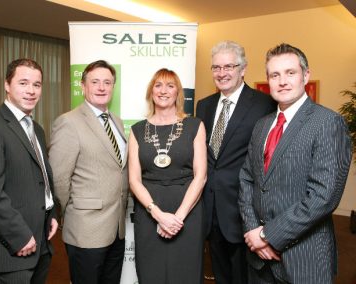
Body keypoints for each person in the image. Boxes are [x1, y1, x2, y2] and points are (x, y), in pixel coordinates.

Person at [238, 43, 352, 283]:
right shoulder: (262, 126)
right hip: (258, 259)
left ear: (305, 76)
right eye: (274, 75)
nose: (282, 81)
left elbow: (323, 196)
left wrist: (268, 235)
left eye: (290, 73)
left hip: (305, 258)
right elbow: (247, 179)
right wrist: (253, 233)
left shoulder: (327, 123)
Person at [0, 58, 58, 283]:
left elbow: (39, 178)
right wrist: (20, 236)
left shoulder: (36, 128)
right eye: (23, 83)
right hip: (12, 247)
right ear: (7, 85)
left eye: (37, 85)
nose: (31, 91)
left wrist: (52, 212)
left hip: (40, 241)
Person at [196, 41, 276, 284]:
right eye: (216, 67)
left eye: (229, 66)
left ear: (243, 69)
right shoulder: (204, 105)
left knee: (245, 276)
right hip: (211, 208)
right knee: (220, 273)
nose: (222, 73)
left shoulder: (264, 104)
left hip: (246, 210)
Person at [48, 60, 128, 284]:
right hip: (86, 228)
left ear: (113, 87)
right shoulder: (69, 122)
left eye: (107, 82)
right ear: (83, 86)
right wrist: (69, 212)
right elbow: (59, 178)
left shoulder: (117, 122)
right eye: (95, 82)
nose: (101, 87)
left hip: (117, 228)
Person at [129, 68, 207, 283]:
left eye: (170, 86)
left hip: (187, 211)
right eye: (158, 85)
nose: (164, 91)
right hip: (149, 211)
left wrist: (178, 218)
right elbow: (134, 180)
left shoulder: (195, 125)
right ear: (151, 91)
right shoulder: (137, 130)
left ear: (178, 93)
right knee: (150, 273)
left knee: (186, 274)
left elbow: (200, 176)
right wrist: (158, 215)